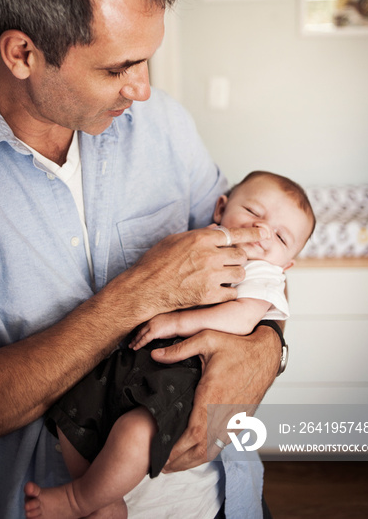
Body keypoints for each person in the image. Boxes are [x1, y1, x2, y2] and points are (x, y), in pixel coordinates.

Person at [0, 0, 283, 519]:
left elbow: (252, 257)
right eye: (118, 67)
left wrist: (266, 351)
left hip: (224, 498)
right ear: (21, 53)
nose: (143, 89)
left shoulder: (165, 126)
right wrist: (140, 294)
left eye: (146, 59)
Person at [23, 170, 315, 519]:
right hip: (134, 356)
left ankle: (79, 500)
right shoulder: (200, 241)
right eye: (253, 212)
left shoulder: (264, 275)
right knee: (71, 410)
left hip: (184, 373)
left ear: (288, 263)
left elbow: (242, 318)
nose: (262, 231)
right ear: (221, 208)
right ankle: (102, 495)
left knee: (136, 432)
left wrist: (177, 321)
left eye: (281, 237)